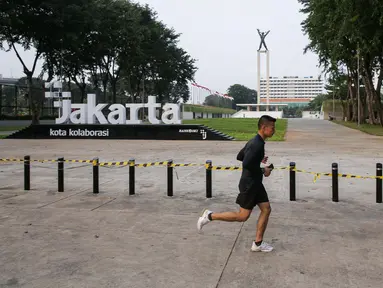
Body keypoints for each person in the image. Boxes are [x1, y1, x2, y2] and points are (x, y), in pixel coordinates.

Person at [197, 115, 276, 252]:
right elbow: (246, 163)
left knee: (266, 209)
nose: (274, 130)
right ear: (263, 127)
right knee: (242, 216)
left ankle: (257, 244)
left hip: (256, 183)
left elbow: (240, 156)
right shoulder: (257, 144)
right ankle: (209, 216)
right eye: (272, 128)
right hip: (250, 184)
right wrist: (265, 170)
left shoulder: (255, 141)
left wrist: (258, 159)